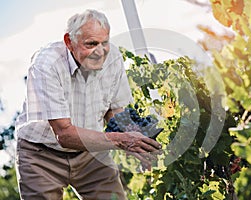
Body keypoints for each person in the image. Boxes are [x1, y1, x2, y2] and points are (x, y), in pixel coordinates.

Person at [15, 9, 161, 200]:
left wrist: (137, 143)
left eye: (104, 42)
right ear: (69, 42)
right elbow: (64, 134)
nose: (100, 52)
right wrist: (122, 140)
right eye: (91, 44)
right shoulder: (47, 64)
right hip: (41, 154)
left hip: (90, 151)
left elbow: (115, 109)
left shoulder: (113, 58)